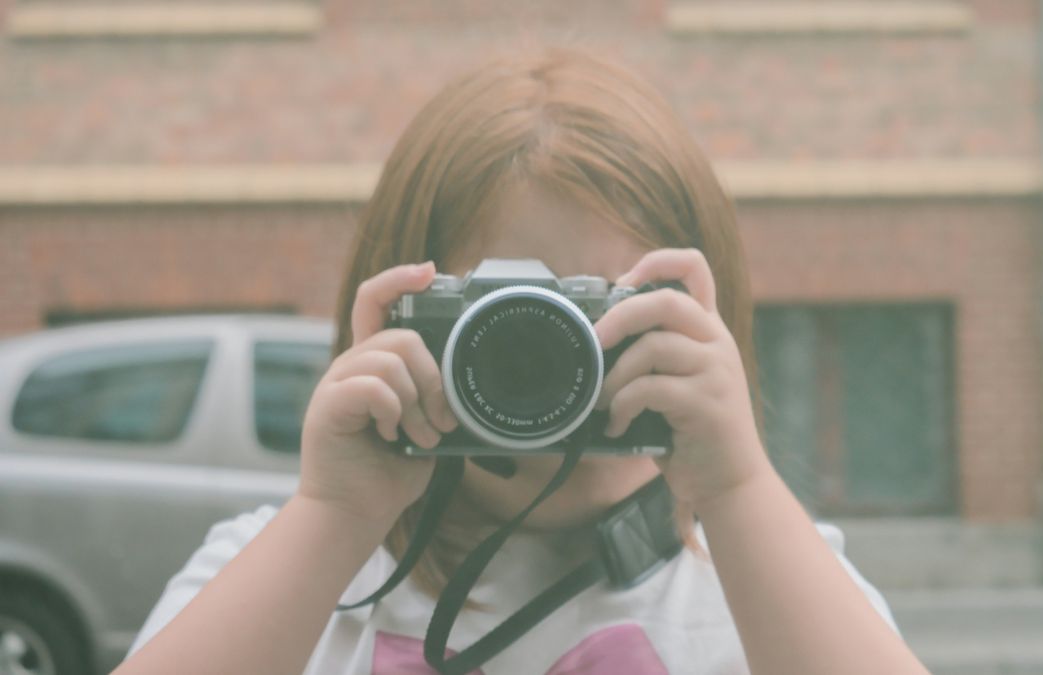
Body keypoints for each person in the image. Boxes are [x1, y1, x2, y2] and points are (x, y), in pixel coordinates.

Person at [117, 47, 930, 675]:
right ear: (397, 320)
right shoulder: (288, 569)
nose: (554, 374)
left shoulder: (771, 574)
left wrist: (737, 487)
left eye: (600, 318)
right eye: (507, 329)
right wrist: (334, 513)